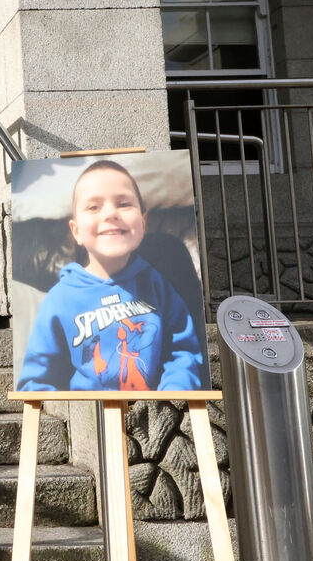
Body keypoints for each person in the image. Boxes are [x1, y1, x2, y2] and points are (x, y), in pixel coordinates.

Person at [17, 159, 205, 392]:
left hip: (154, 415)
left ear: (143, 223)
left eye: (124, 204)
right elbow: (35, 382)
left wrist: (172, 397)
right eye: (93, 207)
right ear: (76, 232)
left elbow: (184, 353)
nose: (110, 214)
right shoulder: (59, 299)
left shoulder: (157, 283)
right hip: (89, 419)